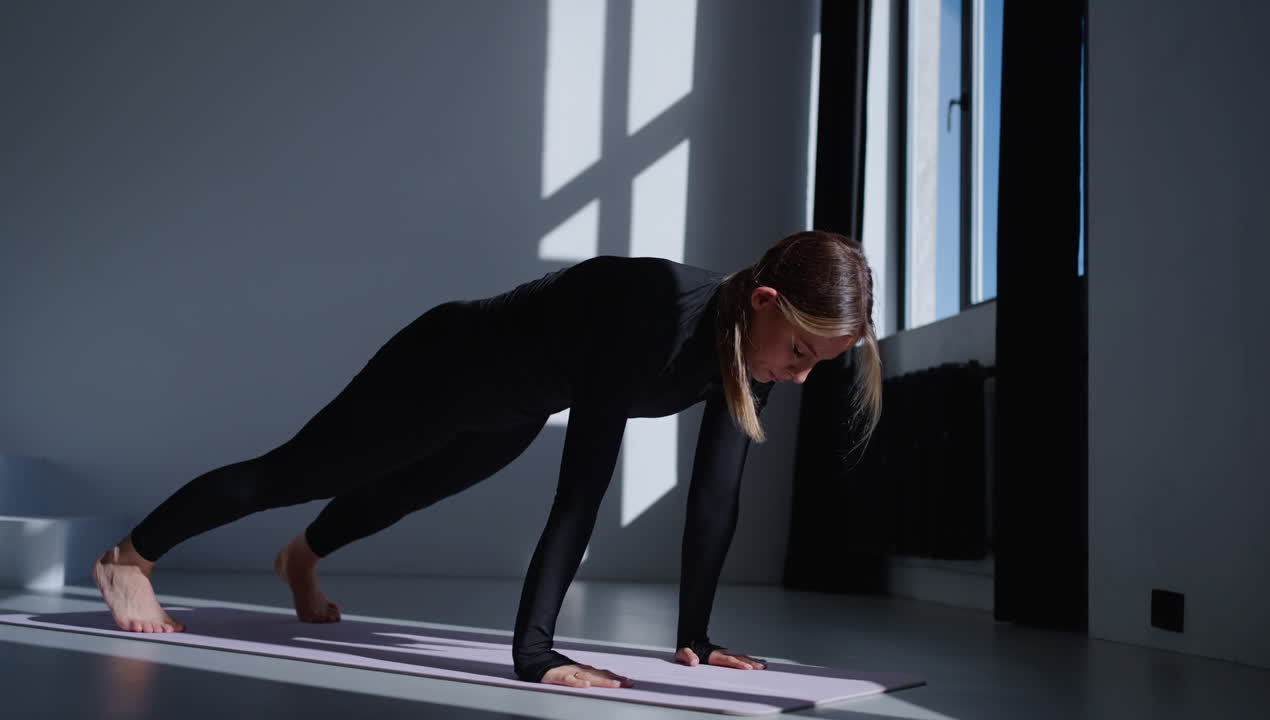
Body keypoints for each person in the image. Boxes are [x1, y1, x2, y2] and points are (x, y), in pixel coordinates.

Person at [90, 230, 883, 688]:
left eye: (821, 364)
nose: (801, 374)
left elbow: (716, 495)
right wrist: (535, 656)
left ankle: (301, 557)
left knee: (405, 494)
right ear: (765, 303)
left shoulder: (751, 356)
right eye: (803, 352)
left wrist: (697, 636)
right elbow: (583, 489)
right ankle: (130, 556)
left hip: (509, 409)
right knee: (299, 472)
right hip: (439, 368)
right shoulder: (654, 314)